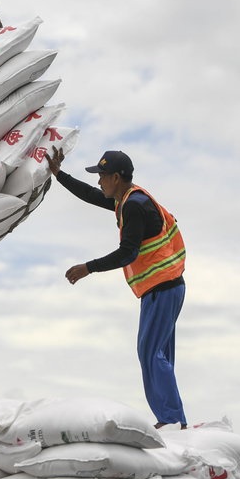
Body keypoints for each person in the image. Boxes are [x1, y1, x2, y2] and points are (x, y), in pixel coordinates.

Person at [45, 147, 188, 428]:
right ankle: (173, 418)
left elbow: (128, 253)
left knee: (150, 352)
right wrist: (59, 175)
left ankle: (171, 419)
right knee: (158, 353)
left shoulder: (134, 205)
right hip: (165, 287)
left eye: (102, 176)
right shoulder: (127, 199)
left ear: (117, 178)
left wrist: (88, 267)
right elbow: (91, 195)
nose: (99, 182)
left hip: (162, 287)